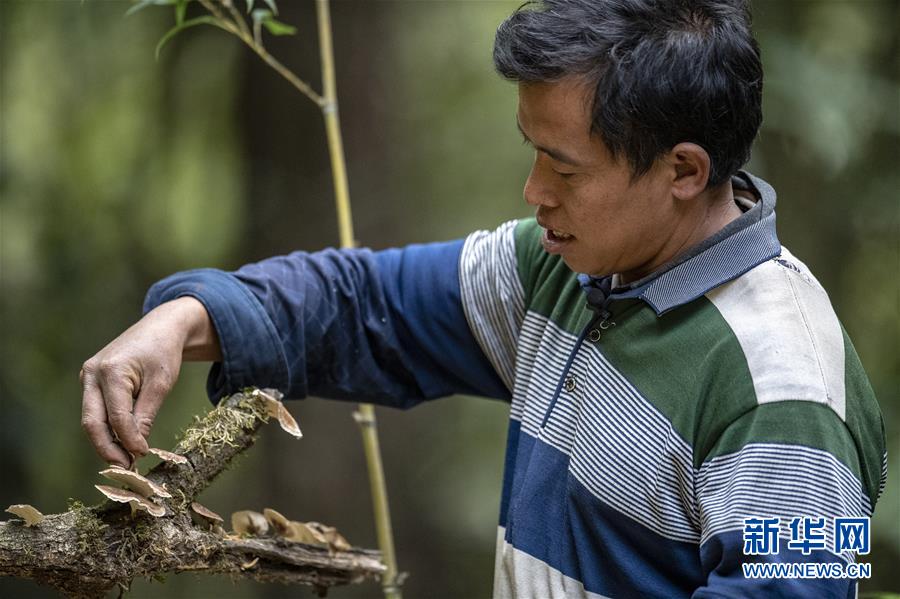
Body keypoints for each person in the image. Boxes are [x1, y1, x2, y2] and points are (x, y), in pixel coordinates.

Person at [80, 0, 886, 597]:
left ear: (682, 171)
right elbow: (369, 304)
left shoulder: (786, 392)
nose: (533, 191)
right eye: (532, 155)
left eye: (564, 169)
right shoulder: (565, 271)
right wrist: (188, 317)